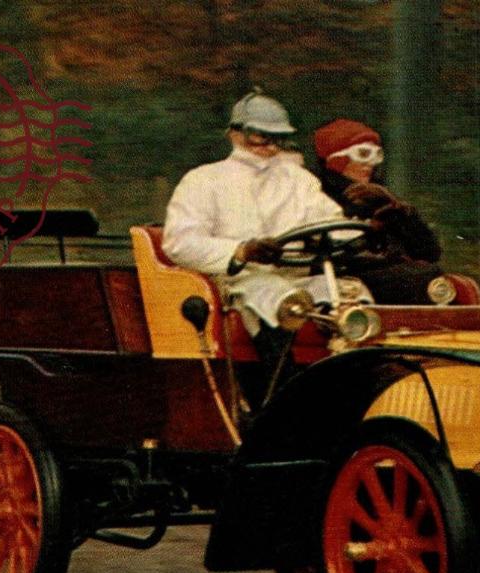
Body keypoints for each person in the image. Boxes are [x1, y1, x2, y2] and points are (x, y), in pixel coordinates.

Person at [163, 91, 372, 393]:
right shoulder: (203, 180)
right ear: (235, 134)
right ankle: (279, 398)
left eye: (278, 138)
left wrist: (354, 237)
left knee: (352, 296)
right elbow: (180, 243)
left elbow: (331, 222)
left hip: (296, 277)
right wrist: (241, 251)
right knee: (277, 299)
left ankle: (355, 391)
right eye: (260, 137)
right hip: (239, 282)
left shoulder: (298, 180)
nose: (270, 146)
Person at [312, 118, 444, 304]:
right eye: (363, 154)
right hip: (339, 277)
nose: (370, 164)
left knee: (440, 282)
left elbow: (429, 252)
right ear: (337, 159)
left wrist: (397, 209)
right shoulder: (315, 194)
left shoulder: (378, 196)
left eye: (377, 155)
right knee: (419, 279)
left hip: (382, 274)